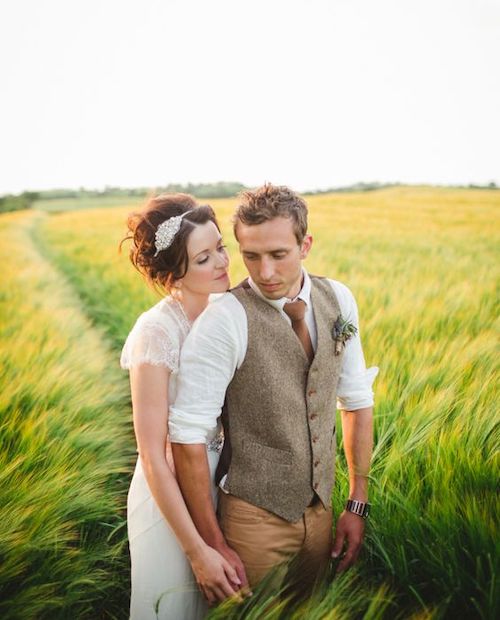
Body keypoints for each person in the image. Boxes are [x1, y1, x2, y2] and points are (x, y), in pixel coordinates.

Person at [169, 183, 378, 601]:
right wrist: (214, 544)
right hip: (252, 521)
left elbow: (355, 400)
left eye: (278, 255)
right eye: (251, 256)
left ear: (306, 245)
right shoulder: (224, 320)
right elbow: (187, 436)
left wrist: (357, 502)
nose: (264, 273)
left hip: (321, 514)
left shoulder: (338, 299)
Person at [119, 193, 243, 619]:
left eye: (221, 247)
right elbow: (152, 455)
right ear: (175, 273)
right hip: (167, 498)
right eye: (204, 258)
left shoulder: (228, 312)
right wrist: (196, 549)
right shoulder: (156, 332)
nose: (223, 263)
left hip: (219, 489)